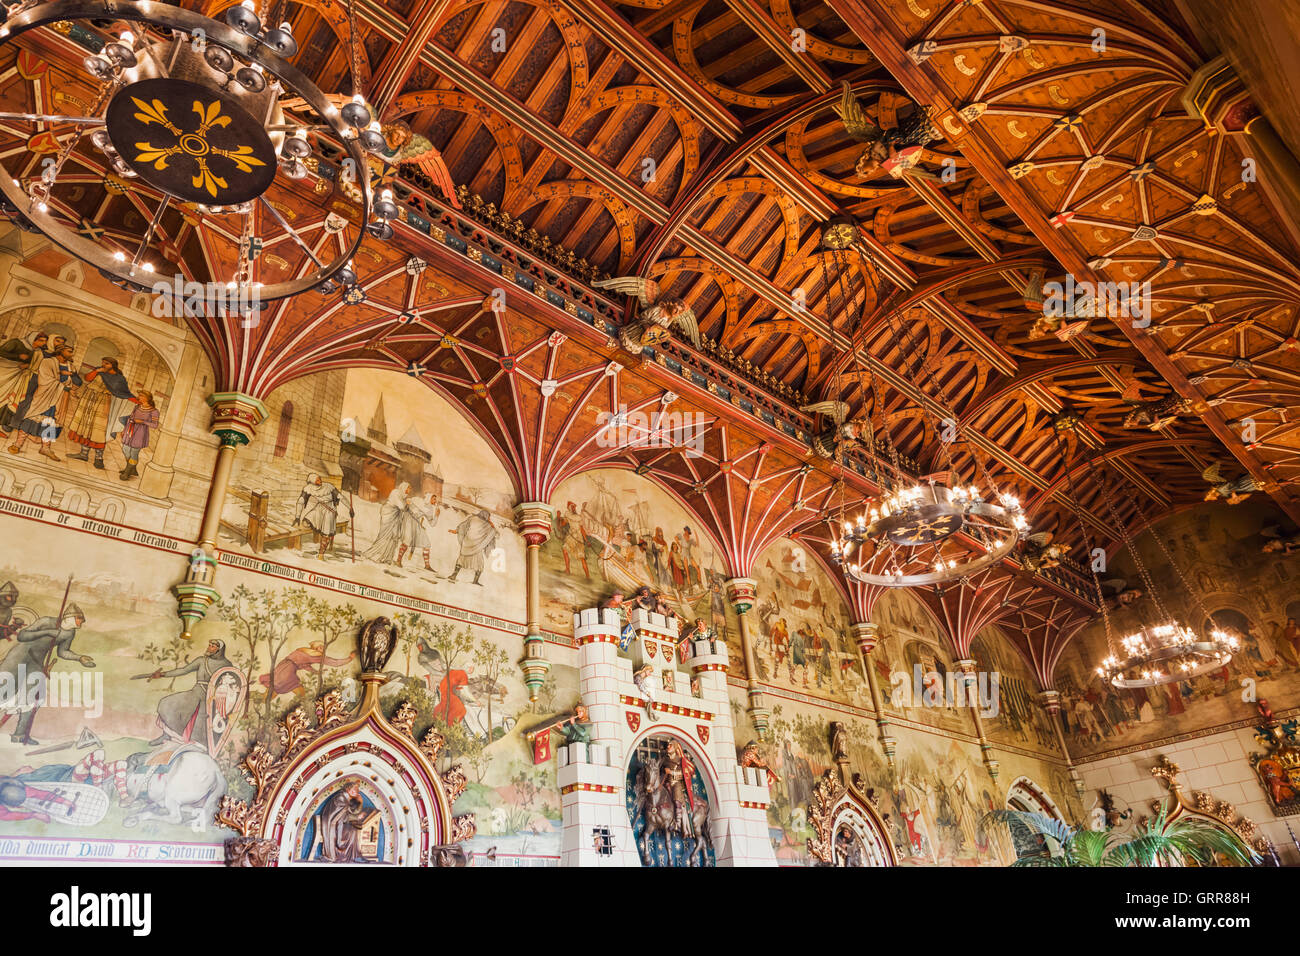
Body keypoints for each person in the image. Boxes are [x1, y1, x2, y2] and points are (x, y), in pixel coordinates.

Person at [0, 604, 93, 745]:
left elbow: (62, 652)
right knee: (4, 690)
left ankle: (20, 735)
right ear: (69, 617)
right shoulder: (46, 621)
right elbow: (22, 636)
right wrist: (47, 632)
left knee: (31, 698)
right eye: (79, 619)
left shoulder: (69, 633)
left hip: (36, 662)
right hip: (19, 656)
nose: (81, 622)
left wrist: (79, 658)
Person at [142, 639, 235, 748]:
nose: (209, 647)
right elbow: (184, 670)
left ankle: (197, 748)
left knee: (202, 726)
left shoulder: (227, 664)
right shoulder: (202, 661)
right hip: (196, 693)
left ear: (219, 650)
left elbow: (230, 683)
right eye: (209, 645)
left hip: (211, 699)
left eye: (213, 646)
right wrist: (162, 674)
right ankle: (166, 735)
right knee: (167, 703)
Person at [7, 343, 80, 460]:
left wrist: (70, 374)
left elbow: (78, 382)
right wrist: (64, 385)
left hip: (60, 399)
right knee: (32, 417)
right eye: (69, 351)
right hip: (44, 396)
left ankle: (45, 448)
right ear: (60, 351)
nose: (72, 354)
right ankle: (18, 444)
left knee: (51, 422)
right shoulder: (48, 362)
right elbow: (45, 379)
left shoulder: (71, 367)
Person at [66, 357, 137, 470]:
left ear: (113, 365)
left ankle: (99, 459)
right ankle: (84, 454)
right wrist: (96, 371)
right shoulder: (99, 372)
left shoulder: (119, 379)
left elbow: (124, 393)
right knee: (85, 427)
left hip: (102, 402)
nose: (103, 365)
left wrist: (136, 401)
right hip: (88, 399)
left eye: (107, 364)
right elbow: (87, 378)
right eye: (103, 363)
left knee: (98, 430)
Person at [259, 641, 355, 698]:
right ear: (316, 647)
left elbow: (304, 665)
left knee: (276, 687)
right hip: (287, 671)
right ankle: (305, 705)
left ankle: (257, 697)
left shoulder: (303, 651)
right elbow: (335, 663)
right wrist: (350, 658)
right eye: (321, 648)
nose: (323, 650)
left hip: (282, 667)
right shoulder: (316, 655)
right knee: (298, 690)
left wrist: (316, 672)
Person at [294, 473, 352, 560]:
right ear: (313, 482)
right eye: (317, 480)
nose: (320, 481)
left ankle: (321, 553)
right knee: (306, 522)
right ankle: (317, 532)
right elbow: (300, 501)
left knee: (326, 533)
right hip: (318, 509)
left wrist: (350, 508)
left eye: (320, 479)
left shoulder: (328, 487)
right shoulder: (309, 488)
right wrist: (297, 516)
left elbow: (341, 497)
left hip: (329, 511)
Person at [317, 779, 371, 863]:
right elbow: (343, 816)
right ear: (348, 789)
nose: (356, 792)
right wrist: (357, 817)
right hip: (332, 824)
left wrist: (360, 802)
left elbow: (350, 813)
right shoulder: (341, 798)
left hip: (338, 823)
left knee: (352, 830)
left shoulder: (346, 799)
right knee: (351, 831)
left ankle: (355, 855)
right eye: (354, 790)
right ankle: (351, 855)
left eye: (357, 790)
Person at [117, 389, 159, 480]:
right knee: (125, 449)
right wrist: (124, 430)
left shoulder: (154, 411)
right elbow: (130, 418)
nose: (139, 397)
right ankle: (133, 468)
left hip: (140, 433)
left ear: (147, 398)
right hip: (130, 431)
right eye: (139, 395)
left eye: (141, 396)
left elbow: (155, 425)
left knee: (134, 452)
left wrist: (143, 422)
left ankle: (127, 472)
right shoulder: (137, 407)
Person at [449, 508, 497, 585]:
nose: (489, 519)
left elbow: (463, 526)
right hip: (477, 547)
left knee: (461, 560)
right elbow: (494, 532)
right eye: (488, 517)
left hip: (467, 544)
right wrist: (492, 524)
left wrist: (456, 531)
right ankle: (475, 581)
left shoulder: (472, 518)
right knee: (479, 564)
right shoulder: (487, 525)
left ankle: (453, 576)